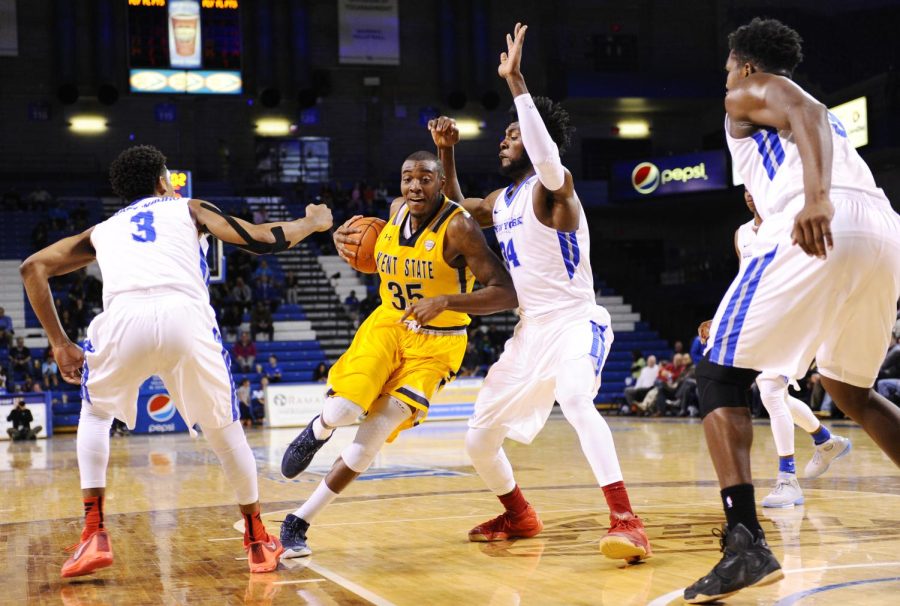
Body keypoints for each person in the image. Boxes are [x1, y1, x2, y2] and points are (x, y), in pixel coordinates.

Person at [19, 144, 333, 578]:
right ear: (163, 181)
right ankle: (258, 540)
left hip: (122, 318)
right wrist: (312, 223)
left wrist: (59, 343)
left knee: (94, 416)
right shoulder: (188, 207)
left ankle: (93, 533)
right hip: (184, 316)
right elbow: (261, 240)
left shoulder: (102, 230)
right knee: (225, 431)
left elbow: (33, 267)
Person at [685, 19, 900, 603]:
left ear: (745, 66)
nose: (727, 79)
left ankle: (746, 543)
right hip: (881, 229)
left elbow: (799, 106)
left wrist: (816, 199)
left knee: (716, 371)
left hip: (818, 222)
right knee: (849, 388)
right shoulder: (812, 120)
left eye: (730, 68)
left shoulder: (750, 92)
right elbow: (806, 114)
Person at [429, 23, 651, 562]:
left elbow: (548, 158)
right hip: (531, 329)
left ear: (531, 139)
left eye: (511, 136)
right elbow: (458, 211)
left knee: (576, 397)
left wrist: (516, 82)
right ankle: (520, 515)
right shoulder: (504, 198)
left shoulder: (556, 192)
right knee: (478, 439)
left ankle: (627, 520)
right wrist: (447, 154)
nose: (504, 142)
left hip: (576, 320)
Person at [278, 149, 517, 558]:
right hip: (388, 324)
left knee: (370, 440)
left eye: (425, 178)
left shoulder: (458, 227)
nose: (414, 186)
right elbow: (376, 255)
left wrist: (447, 301)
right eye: (408, 177)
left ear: (441, 183)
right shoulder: (393, 212)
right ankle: (319, 428)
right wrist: (344, 242)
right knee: (343, 412)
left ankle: (298, 521)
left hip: (438, 342)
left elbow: (507, 292)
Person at [730, 189, 851, 507]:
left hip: (797, 310)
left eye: (756, 187)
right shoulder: (742, 234)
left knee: (770, 389)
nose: (750, 194)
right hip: (762, 315)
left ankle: (788, 478)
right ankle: (825, 441)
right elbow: (745, 280)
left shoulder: (791, 223)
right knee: (774, 394)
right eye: (745, 188)